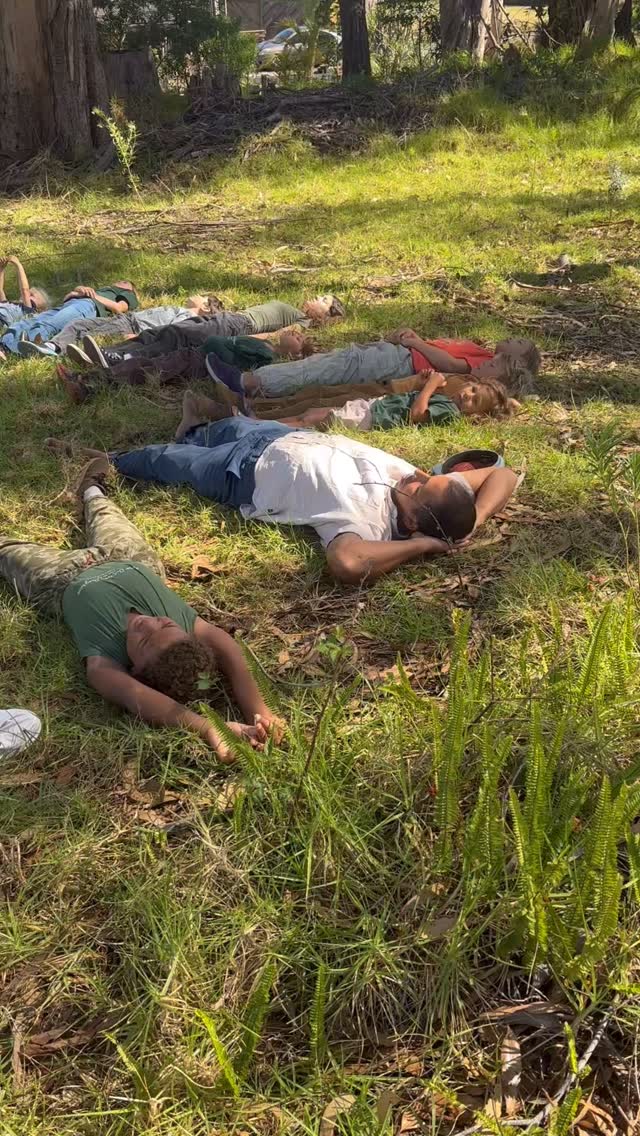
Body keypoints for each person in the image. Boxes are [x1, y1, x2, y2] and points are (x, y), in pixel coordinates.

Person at [55, 396, 517, 585]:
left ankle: (105, 463)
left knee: (164, 461)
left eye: (421, 484)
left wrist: (420, 546)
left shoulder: (366, 524)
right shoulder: (420, 489)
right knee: (215, 428)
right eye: (427, 473)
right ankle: (197, 426)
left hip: (244, 473)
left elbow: (348, 563)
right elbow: (505, 474)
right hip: (277, 434)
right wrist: (474, 521)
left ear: (413, 519)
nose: (416, 473)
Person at [0, 454, 282, 763]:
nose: (148, 623)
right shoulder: (185, 629)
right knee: (107, 514)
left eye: (144, 641)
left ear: (134, 668)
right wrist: (260, 710)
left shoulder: (105, 663)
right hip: (130, 558)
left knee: (8, 552)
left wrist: (209, 728)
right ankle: (92, 491)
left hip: (65, 577)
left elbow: (134, 696)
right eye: (165, 624)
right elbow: (229, 650)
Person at [72, 294, 344, 366]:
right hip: (233, 320)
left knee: (177, 337)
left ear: (328, 317)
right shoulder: (297, 313)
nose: (317, 298)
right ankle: (108, 352)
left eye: (324, 301)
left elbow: (275, 338)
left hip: (237, 325)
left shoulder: (302, 323)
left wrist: (238, 339)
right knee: (171, 332)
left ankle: (120, 357)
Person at [56, 329, 315, 405]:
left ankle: (90, 386)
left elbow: (232, 360)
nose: (295, 333)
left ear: (294, 356)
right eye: (298, 333)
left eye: (299, 340)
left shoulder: (268, 358)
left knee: (149, 369)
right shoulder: (266, 343)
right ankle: (86, 378)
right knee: (150, 365)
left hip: (201, 362)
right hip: (196, 354)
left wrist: (214, 348)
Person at [270, 371, 514, 432]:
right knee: (313, 411)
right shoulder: (448, 400)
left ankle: (263, 428)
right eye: (472, 389)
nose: (467, 395)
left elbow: (417, 414)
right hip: (374, 407)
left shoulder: (449, 412)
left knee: (312, 420)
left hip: (373, 418)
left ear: (476, 415)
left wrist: (429, 387)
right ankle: (257, 422)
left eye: (475, 400)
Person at [22, 294, 220, 358]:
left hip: (132, 325)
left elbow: (166, 333)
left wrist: (139, 337)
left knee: (88, 334)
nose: (195, 296)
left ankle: (58, 350)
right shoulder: (180, 309)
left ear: (206, 306)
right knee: (78, 324)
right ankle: (51, 347)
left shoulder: (186, 318)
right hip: (127, 318)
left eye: (201, 296)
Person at [0, 282, 138, 360]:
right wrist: (77, 291)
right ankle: (3, 345)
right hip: (68, 304)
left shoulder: (128, 294)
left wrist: (93, 296)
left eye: (125, 282)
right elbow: (68, 297)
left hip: (87, 306)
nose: (120, 282)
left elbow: (119, 308)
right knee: (26, 322)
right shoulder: (104, 290)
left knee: (49, 325)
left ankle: (15, 350)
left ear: (130, 289)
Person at [0, 256, 50, 326]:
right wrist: (1, 269)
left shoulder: (29, 312)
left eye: (31, 295)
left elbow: (25, 290)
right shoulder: (9, 305)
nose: (28, 294)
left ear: (37, 309)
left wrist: (18, 264)